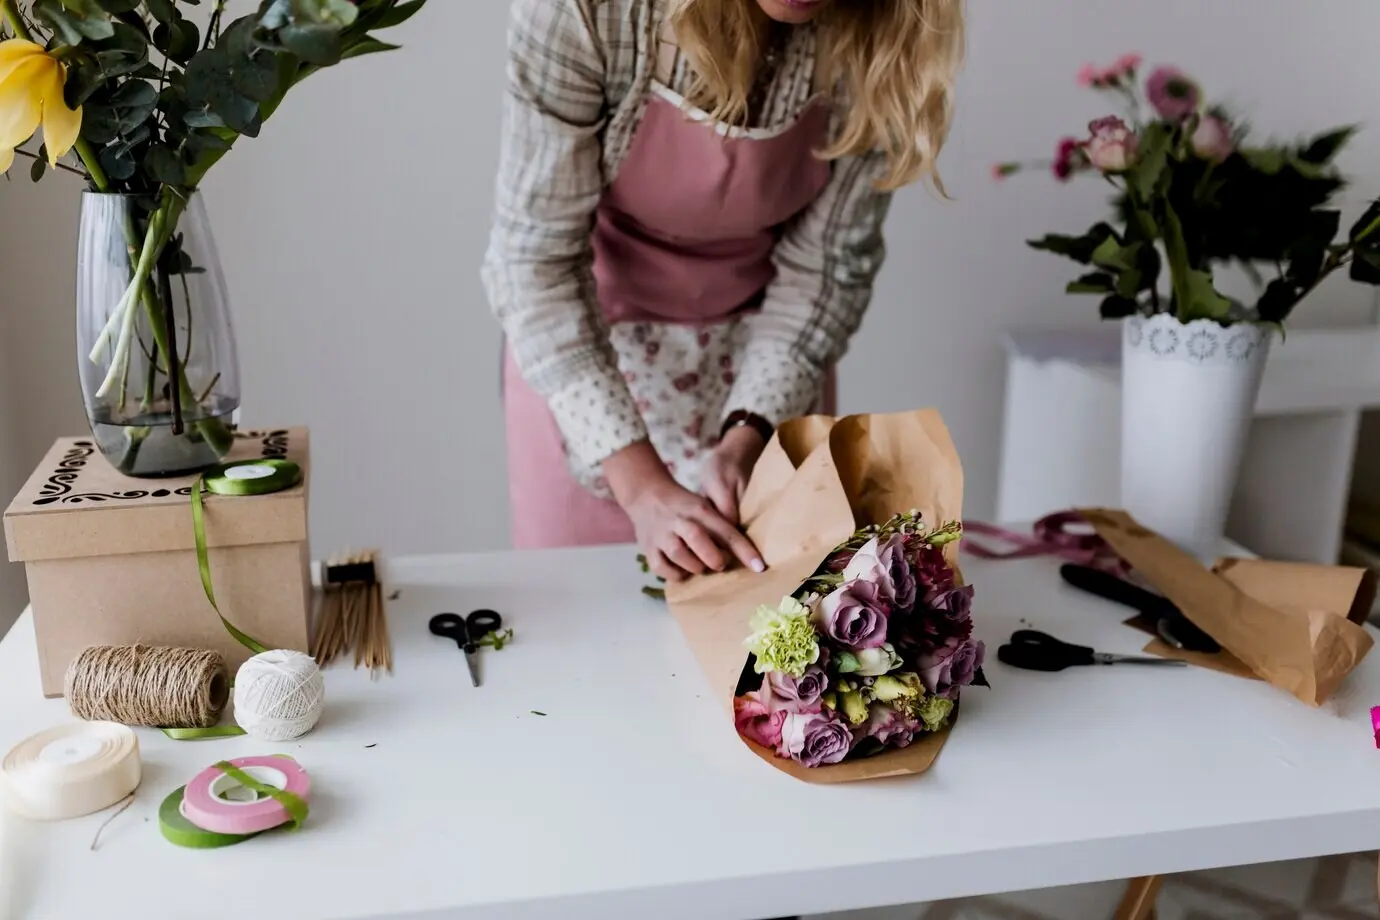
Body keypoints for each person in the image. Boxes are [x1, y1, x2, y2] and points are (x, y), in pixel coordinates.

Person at [482, 0, 965, 585]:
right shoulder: (585, 11)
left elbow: (825, 270)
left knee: (766, 653)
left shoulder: (886, 29)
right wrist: (641, 484)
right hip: (587, 377)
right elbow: (537, 261)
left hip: (772, 365)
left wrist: (752, 432)